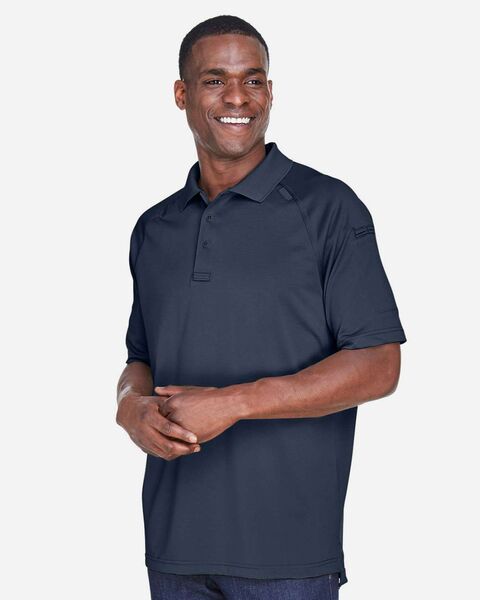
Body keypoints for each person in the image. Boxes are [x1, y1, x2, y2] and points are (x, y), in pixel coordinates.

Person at [116, 14, 407, 600]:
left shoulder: (329, 208)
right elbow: (141, 357)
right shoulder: (155, 227)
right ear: (181, 94)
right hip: (173, 546)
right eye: (214, 80)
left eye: (252, 80)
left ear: (270, 93)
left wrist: (235, 403)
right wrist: (129, 407)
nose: (237, 97)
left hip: (289, 556)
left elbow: (380, 365)